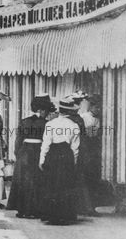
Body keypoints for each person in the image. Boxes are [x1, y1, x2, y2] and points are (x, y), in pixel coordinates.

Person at [7, 94, 54, 218]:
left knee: (23, 181)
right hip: (37, 151)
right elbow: (47, 142)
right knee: (36, 181)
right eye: (46, 111)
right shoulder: (46, 124)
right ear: (42, 110)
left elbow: (18, 141)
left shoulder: (24, 121)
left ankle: (22, 210)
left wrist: (18, 154)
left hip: (24, 152)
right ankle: (34, 210)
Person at [39, 97, 80, 225]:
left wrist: (42, 159)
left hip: (53, 154)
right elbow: (75, 147)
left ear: (60, 110)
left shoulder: (50, 124)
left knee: (51, 184)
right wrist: (73, 162)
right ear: (70, 111)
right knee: (65, 185)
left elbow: (45, 144)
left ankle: (51, 215)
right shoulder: (73, 125)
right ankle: (65, 216)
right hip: (66, 155)